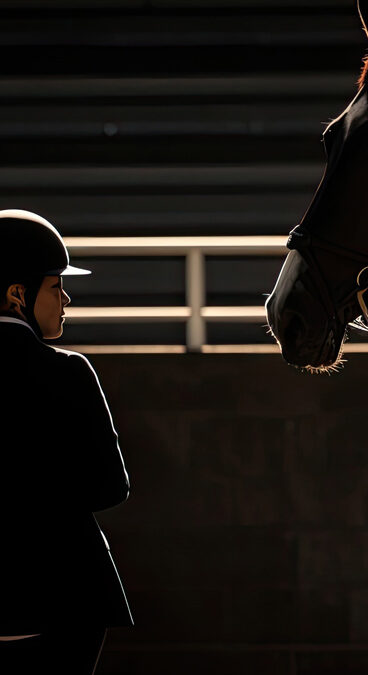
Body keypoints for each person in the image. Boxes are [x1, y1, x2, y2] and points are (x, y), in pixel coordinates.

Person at [0, 210, 133, 674]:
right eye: (55, 286)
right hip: (67, 595)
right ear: (18, 295)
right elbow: (112, 487)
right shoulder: (69, 371)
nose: (66, 298)